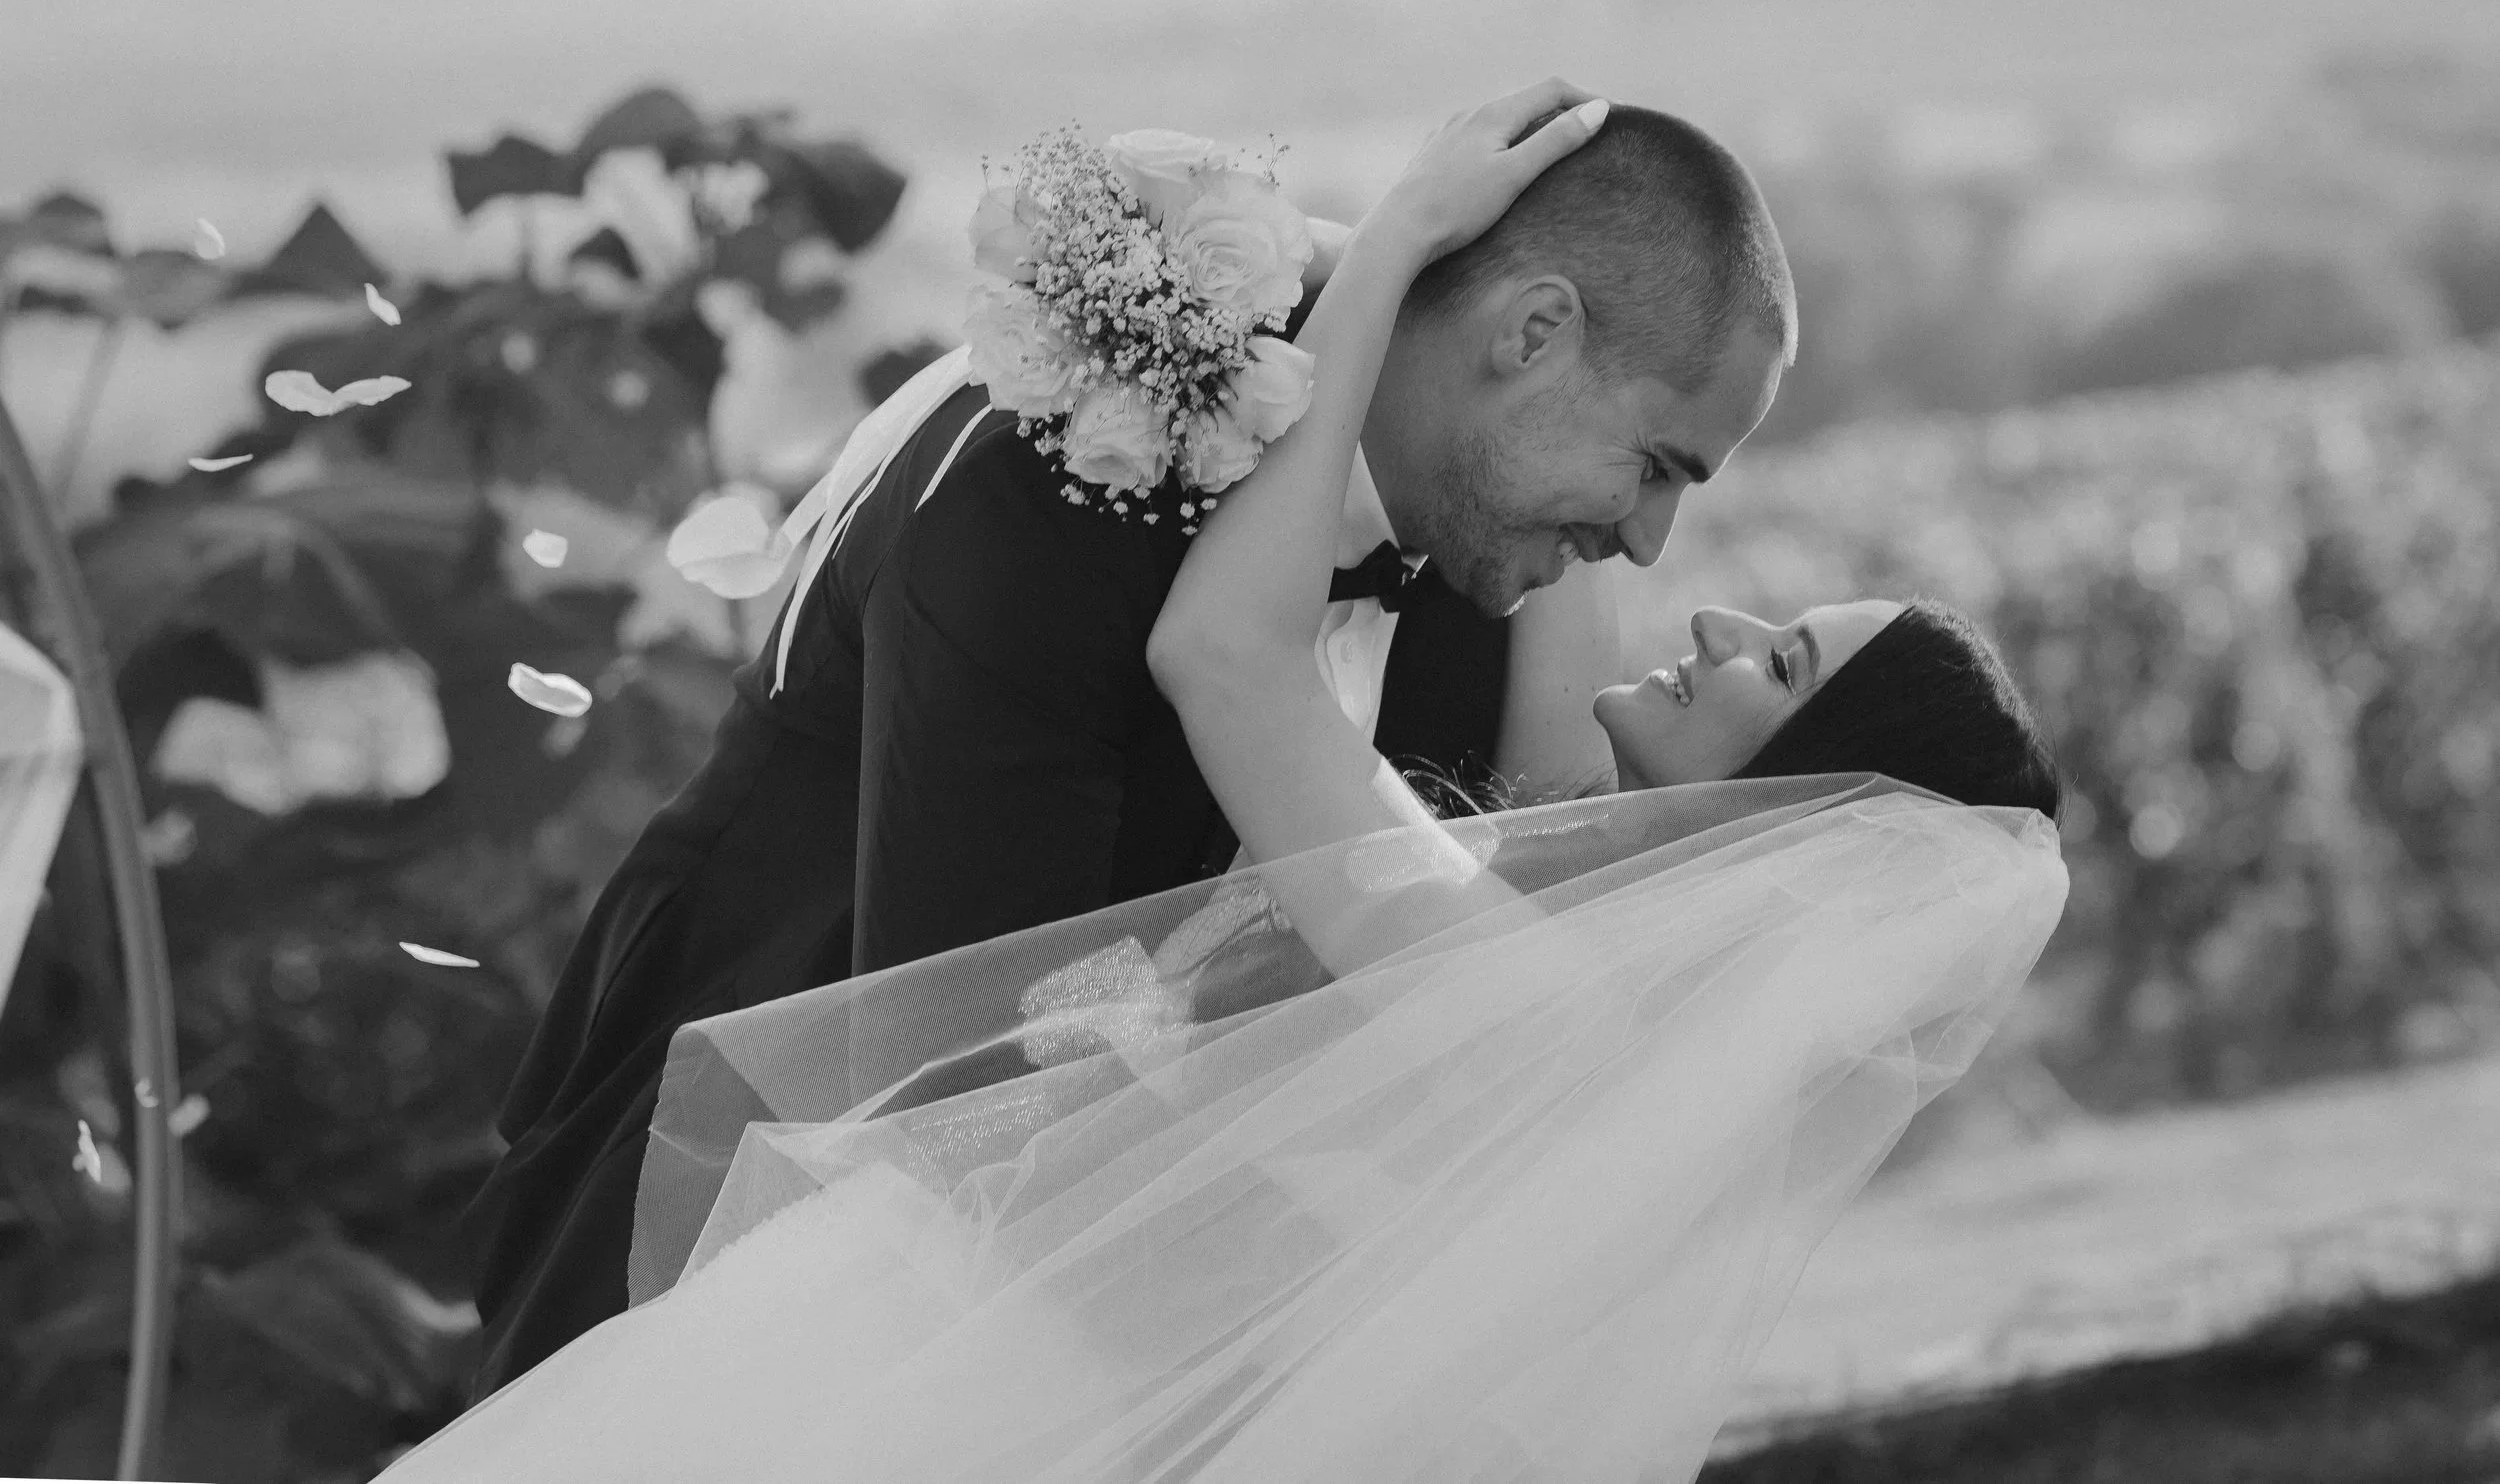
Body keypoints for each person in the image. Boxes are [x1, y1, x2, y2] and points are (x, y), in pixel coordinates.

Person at [386, 87, 2068, 1482]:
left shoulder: (1494, 582)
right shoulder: (1061, 483)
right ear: (1533, 330)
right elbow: (939, 1044)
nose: (1648, 541)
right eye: (1655, 462)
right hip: (748, 1209)